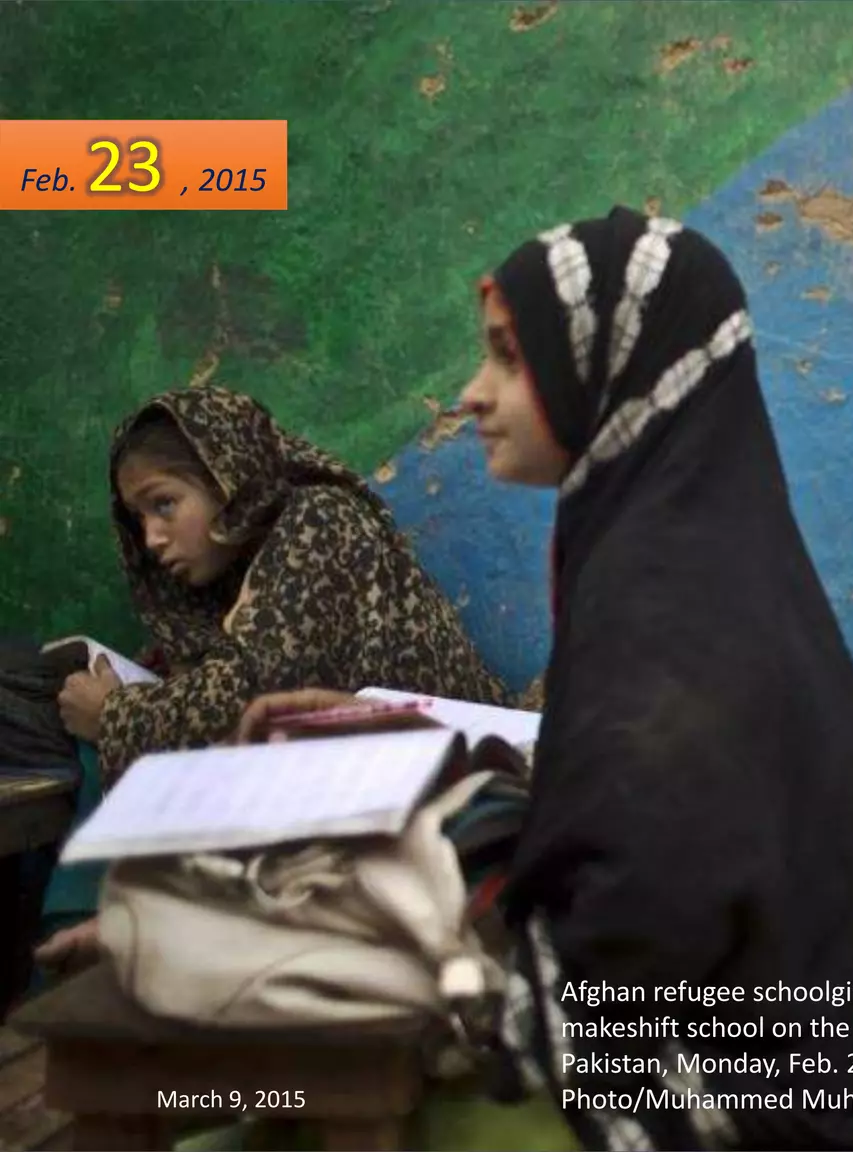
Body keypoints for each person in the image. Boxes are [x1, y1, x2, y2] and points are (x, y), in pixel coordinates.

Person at [244, 208, 853, 1151]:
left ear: (611, 364)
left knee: (261, 1111)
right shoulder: (695, 549)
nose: (472, 393)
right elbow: (632, 803)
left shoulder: (664, 604)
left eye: (509, 355)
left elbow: (629, 942)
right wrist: (413, 746)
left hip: (714, 1115)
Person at [36, 385, 505, 972]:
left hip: (449, 775)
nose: (152, 539)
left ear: (227, 477)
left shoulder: (318, 523)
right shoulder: (232, 584)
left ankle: (97, 940)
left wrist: (115, 715)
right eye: (138, 519)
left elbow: (256, 697)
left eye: (164, 504)